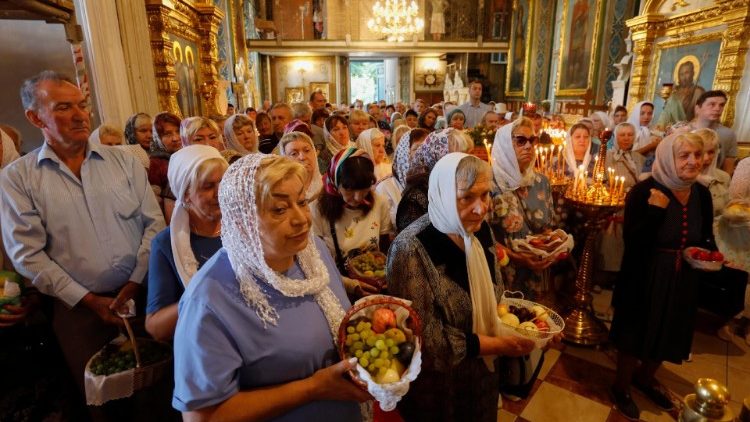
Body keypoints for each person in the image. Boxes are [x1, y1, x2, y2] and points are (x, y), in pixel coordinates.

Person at [0, 71, 165, 412]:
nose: (80, 115)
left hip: (144, 295)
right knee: (102, 400)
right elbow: (27, 255)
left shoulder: (124, 162)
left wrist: (135, 284)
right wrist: (90, 300)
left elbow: (154, 225)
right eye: (63, 107)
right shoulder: (18, 179)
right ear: (35, 117)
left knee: (158, 393)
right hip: (78, 310)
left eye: (82, 105)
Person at [172, 153, 369, 420]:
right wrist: (313, 389)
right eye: (279, 209)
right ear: (243, 220)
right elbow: (202, 417)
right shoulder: (210, 298)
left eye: (301, 201)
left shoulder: (312, 253)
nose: (301, 219)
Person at [388, 152, 536, 421]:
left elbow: (495, 297)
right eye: (466, 197)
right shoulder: (410, 249)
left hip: (481, 380)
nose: (481, 208)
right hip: (440, 391)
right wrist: (499, 345)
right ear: (443, 193)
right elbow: (428, 343)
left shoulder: (479, 231)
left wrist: (534, 331)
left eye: (485, 195)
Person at [609, 132, 713, 421]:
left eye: (697, 155)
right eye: (684, 156)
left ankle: (645, 377)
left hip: (683, 275)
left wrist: (709, 254)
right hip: (646, 274)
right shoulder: (644, 192)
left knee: (670, 328)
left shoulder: (701, 193)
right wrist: (656, 212)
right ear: (667, 158)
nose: (694, 161)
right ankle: (621, 387)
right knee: (637, 330)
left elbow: (705, 236)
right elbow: (632, 240)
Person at [146, 145, 226, 341]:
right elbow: (156, 327)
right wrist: (202, 295)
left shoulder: (244, 229)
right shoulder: (166, 244)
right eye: (208, 186)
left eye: (223, 182)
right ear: (186, 194)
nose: (220, 192)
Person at [488, 118, 557, 299]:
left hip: (537, 269)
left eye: (532, 140)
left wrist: (551, 246)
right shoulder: (489, 184)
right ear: (505, 145)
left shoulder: (541, 182)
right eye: (520, 140)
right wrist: (518, 257)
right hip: (504, 271)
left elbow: (547, 226)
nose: (528, 146)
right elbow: (481, 237)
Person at [311, 148, 393, 295]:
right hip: (339, 289)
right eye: (349, 190)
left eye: (365, 190)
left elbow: (384, 245)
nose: (358, 197)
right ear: (336, 183)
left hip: (375, 286)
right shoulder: (318, 211)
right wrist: (349, 285)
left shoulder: (379, 203)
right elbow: (315, 263)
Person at [396, 128, 472, 231]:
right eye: (456, 157)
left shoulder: (460, 184)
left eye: (466, 155)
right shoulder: (416, 198)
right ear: (436, 158)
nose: (465, 162)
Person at [598, 123, 645, 273]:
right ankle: (605, 274)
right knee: (611, 244)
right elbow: (602, 181)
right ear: (616, 137)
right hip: (615, 206)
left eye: (630, 134)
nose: (626, 138)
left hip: (635, 208)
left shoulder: (640, 158)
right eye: (622, 135)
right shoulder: (607, 156)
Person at [687, 91, 736, 174]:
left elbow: (728, 167)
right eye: (712, 104)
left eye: (721, 105)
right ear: (698, 108)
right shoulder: (683, 130)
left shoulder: (728, 134)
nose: (717, 109)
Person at [149, 112, 183, 221]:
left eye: (178, 131)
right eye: (168, 134)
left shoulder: (186, 156)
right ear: (157, 138)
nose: (175, 138)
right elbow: (155, 203)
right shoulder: (156, 164)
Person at [657, 60, 705, 128]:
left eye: (687, 73)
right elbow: (666, 112)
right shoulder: (674, 91)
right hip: (669, 129)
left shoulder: (698, 91)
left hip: (689, 130)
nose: (684, 77)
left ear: (693, 73)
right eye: (681, 74)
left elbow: (699, 115)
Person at [693, 128, 730, 216]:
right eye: (700, 152)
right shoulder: (682, 178)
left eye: (711, 152)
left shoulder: (724, 177)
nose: (706, 158)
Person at [278, 131, 323, 202]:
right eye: (294, 154)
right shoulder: (282, 193)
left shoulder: (327, 186)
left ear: (314, 152)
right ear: (285, 159)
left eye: (307, 150)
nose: (302, 157)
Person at [628, 101, 661, 172]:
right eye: (642, 113)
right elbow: (629, 155)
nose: (646, 117)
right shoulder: (629, 130)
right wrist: (651, 146)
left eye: (650, 114)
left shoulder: (651, 131)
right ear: (636, 114)